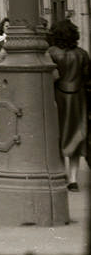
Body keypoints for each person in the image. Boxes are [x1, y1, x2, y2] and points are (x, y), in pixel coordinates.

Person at [45, 19, 90, 191]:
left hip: (58, 97)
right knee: (76, 136)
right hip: (78, 98)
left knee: (58, 135)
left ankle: (61, 173)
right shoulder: (82, 54)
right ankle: (73, 180)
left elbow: (52, 77)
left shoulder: (51, 52)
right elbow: (87, 79)